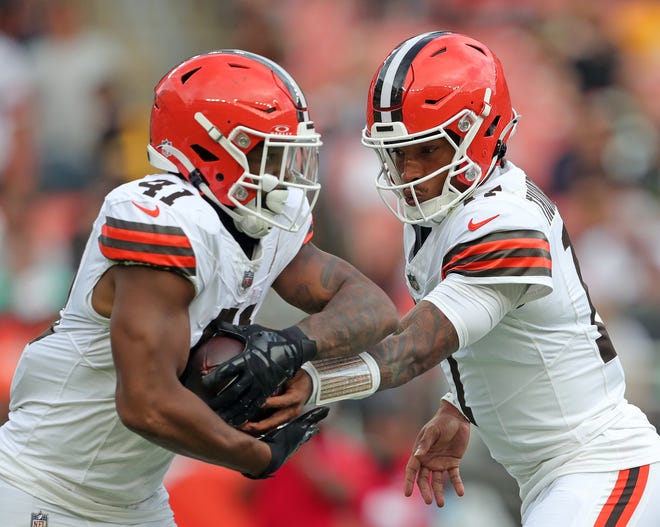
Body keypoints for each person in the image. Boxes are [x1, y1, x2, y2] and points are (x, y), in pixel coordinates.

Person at [248, 31, 660, 526]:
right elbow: (496, 329)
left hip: (599, 467)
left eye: (425, 150)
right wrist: (460, 405)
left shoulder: (504, 221)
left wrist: (315, 383)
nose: (408, 170)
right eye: (396, 153)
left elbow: (417, 345)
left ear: (480, 133)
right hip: (559, 478)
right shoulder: (442, 213)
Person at [0, 50, 399, 526]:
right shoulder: (165, 220)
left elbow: (375, 308)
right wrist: (258, 457)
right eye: (263, 148)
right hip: (42, 486)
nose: (283, 169)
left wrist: (288, 346)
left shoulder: (265, 221)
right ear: (208, 147)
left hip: (137, 502)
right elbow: (145, 403)